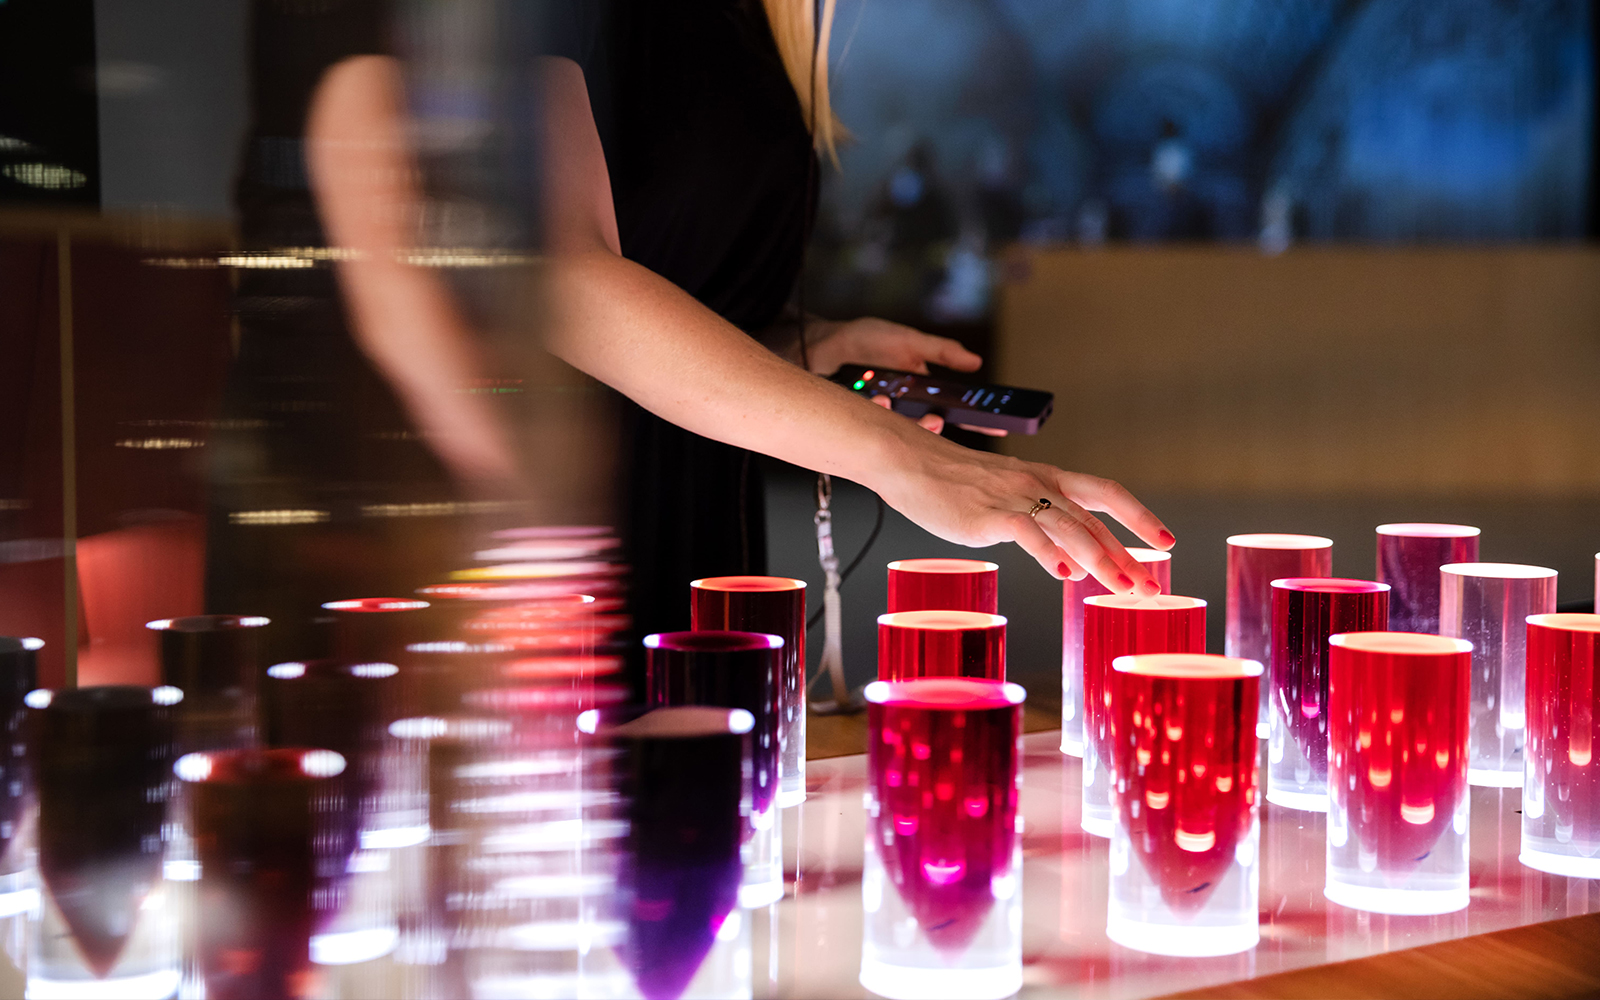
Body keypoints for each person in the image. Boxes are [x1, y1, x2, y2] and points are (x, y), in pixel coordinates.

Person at [302, 0, 1173, 652]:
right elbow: (555, 274)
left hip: (694, 543)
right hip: (531, 567)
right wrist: (900, 457)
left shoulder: (775, 19)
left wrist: (792, 340)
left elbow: (648, 258)